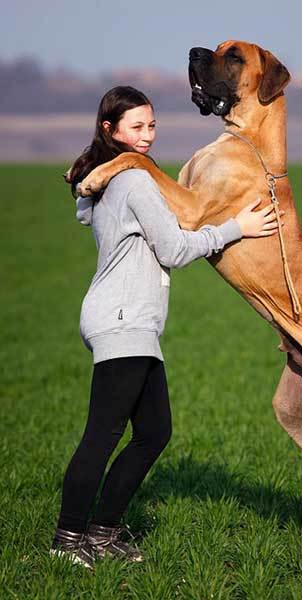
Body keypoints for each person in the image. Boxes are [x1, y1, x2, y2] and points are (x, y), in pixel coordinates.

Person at [50, 86, 281, 569]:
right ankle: (67, 540)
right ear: (110, 130)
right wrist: (237, 227)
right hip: (123, 320)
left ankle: (103, 533)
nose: (147, 136)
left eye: (152, 125)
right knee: (103, 434)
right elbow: (174, 249)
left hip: (130, 321)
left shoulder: (114, 179)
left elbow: (85, 205)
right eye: (136, 127)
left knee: (154, 432)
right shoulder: (134, 182)